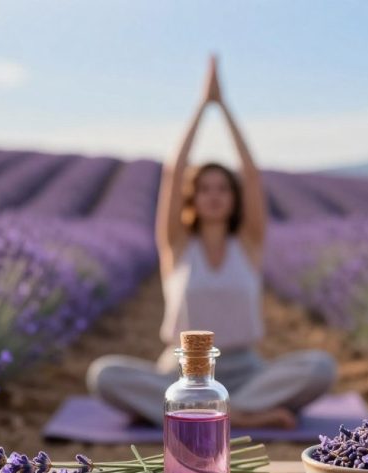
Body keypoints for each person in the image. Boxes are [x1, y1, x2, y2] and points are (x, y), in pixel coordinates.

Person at [87, 56, 336, 429]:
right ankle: (236, 417)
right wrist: (203, 107)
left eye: (223, 188)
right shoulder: (176, 246)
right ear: (193, 199)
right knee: (103, 375)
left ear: (234, 198)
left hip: (247, 373)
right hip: (180, 374)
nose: (214, 195)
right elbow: (173, 172)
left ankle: (202, 417)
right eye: (204, 189)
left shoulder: (248, 244)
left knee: (321, 367)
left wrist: (226, 108)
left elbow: (251, 176)